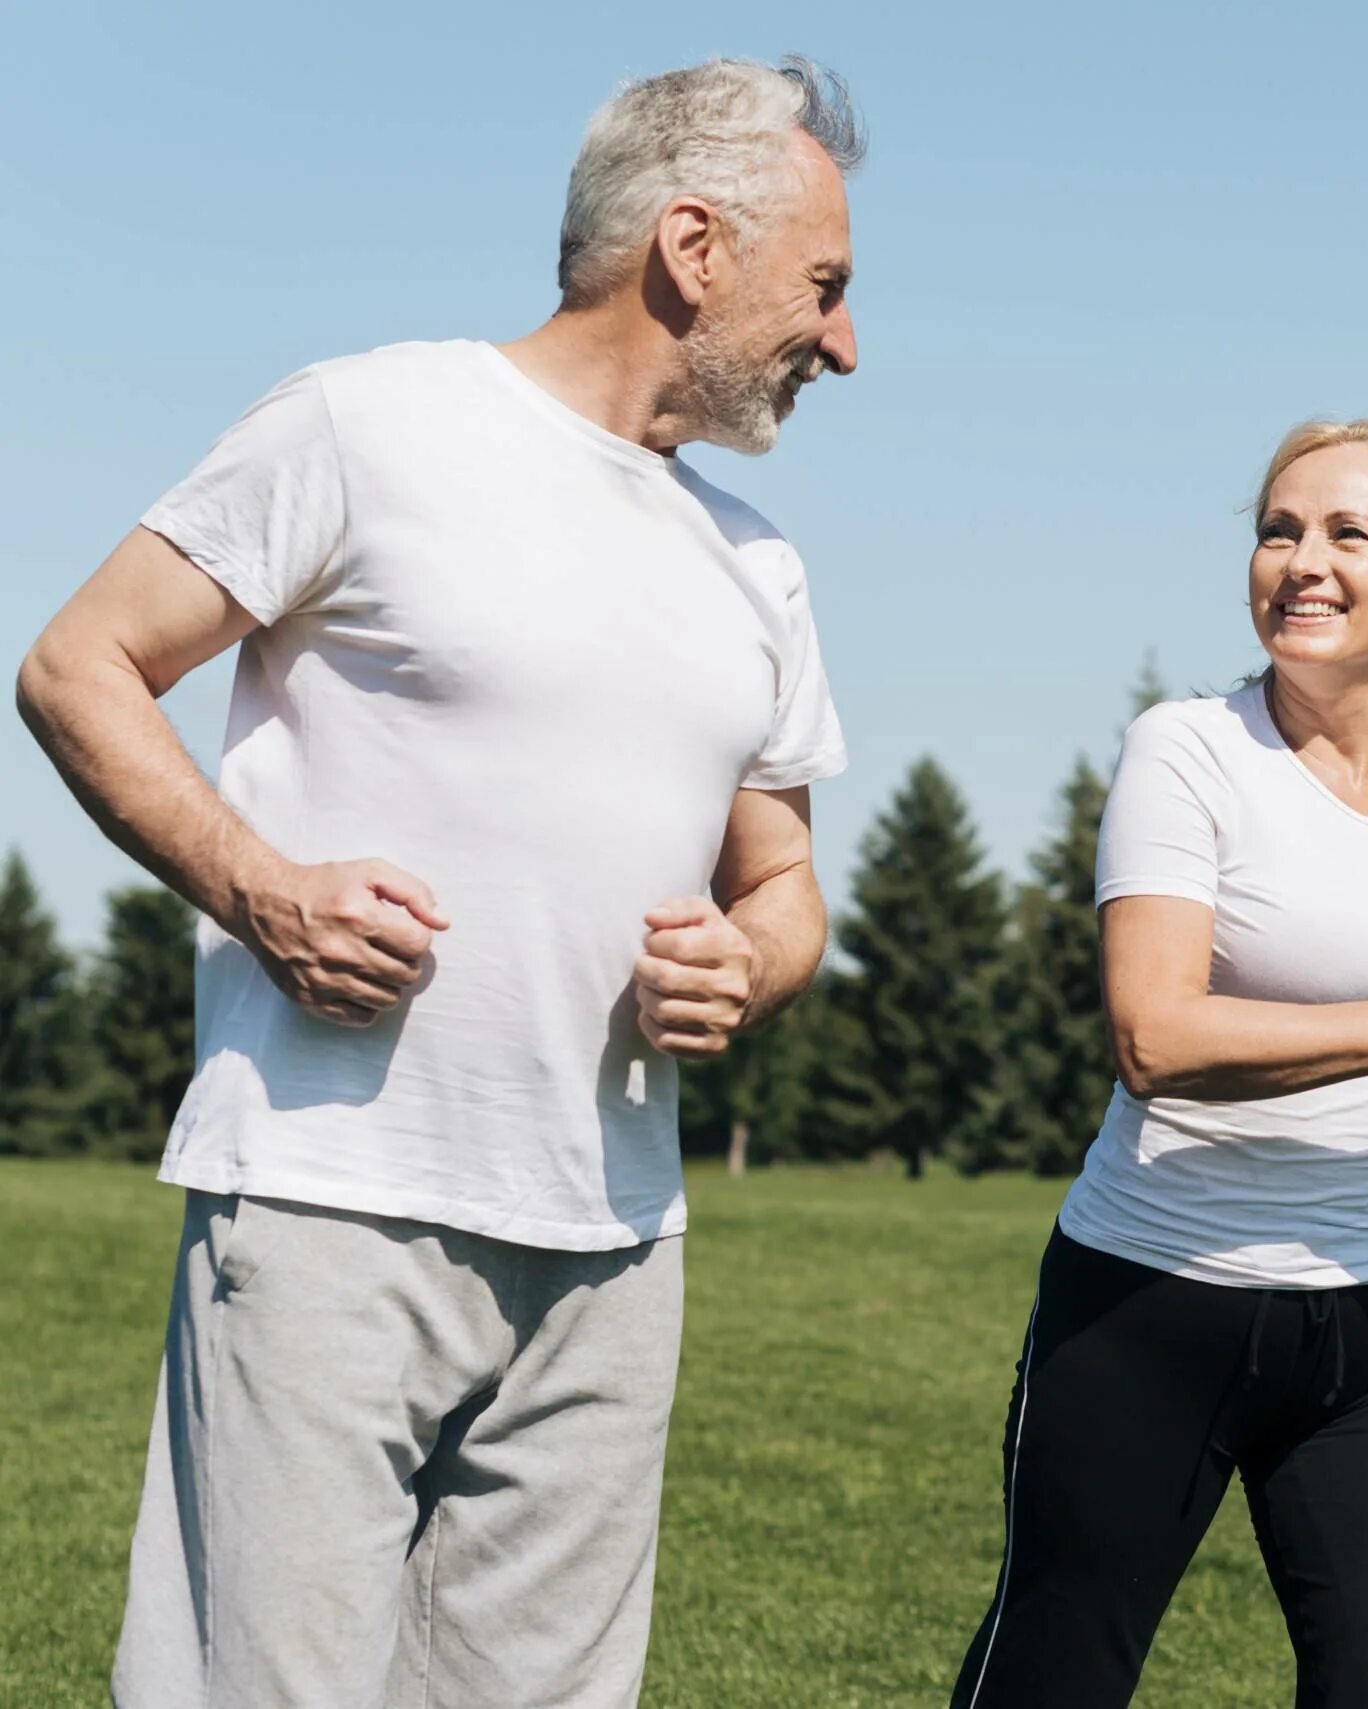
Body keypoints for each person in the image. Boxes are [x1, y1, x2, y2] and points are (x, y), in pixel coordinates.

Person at [14, 55, 863, 1709]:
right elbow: (79, 664)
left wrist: (753, 964)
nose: (842, 341)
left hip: (616, 1245)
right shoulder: (370, 422)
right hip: (335, 1208)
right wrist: (263, 890)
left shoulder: (757, 560)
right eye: (824, 288)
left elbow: (788, 884)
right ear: (693, 246)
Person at [947, 420, 1368, 1709]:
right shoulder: (1188, 752)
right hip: (1155, 1302)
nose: (1301, 561)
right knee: (1058, 1673)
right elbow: (1158, 1037)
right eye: (1277, 529)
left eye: (1346, 533)